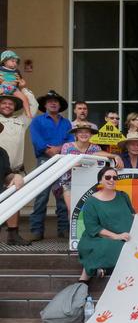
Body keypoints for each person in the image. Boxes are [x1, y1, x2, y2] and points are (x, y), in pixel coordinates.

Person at [29, 90, 73, 241]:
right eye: (50, 101)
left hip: (62, 160)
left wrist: (59, 149)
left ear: (60, 105)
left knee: (62, 195)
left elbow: (70, 139)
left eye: (56, 101)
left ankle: (63, 230)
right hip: (44, 160)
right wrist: (49, 150)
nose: (53, 103)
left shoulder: (66, 122)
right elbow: (36, 139)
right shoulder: (37, 121)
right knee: (42, 196)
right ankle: (36, 231)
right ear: (45, 105)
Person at [77, 166, 135, 281]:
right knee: (114, 247)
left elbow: (132, 214)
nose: (112, 180)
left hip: (126, 236)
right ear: (100, 180)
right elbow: (92, 228)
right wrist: (117, 236)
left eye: (114, 177)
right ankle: (93, 272)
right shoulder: (91, 201)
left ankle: (103, 268)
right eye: (108, 177)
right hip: (99, 237)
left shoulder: (123, 196)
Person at [59, 122, 123, 212]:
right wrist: (81, 163)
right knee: (72, 210)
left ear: (91, 134)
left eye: (87, 132)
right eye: (80, 132)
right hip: (69, 183)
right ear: (76, 134)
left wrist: (116, 156)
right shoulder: (67, 146)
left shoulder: (95, 147)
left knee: (89, 210)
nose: (83, 134)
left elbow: (98, 154)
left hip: (89, 183)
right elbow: (63, 165)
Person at [0, 91, 36, 244]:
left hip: (13, 171)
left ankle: (13, 235)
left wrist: (22, 89)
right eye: (4, 103)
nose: (7, 106)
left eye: (11, 104)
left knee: (14, 201)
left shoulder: (21, 121)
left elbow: (33, 106)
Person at [0, 121, 31, 245]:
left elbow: (7, 174)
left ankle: (13, 235)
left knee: (14, 191)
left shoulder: (2, 153)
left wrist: (15, 176)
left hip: (0, 191)